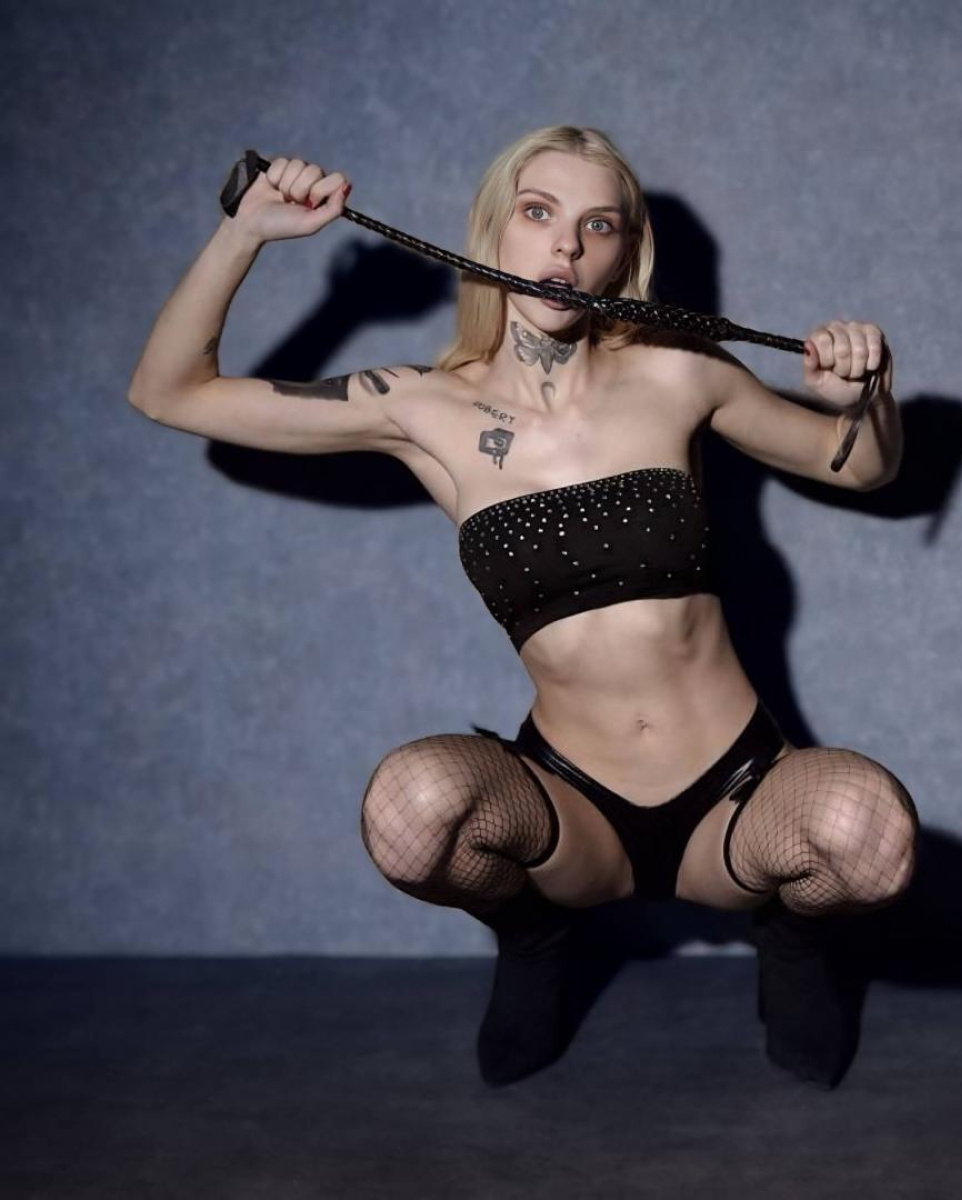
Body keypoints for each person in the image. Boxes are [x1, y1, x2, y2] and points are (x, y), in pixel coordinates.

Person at [127, 125, 919, 1091]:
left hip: (738, 794)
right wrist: (246, 232)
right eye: (539, 213)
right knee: (412, 811)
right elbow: (170, 393)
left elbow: (865, 467)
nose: (566, 246)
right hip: (568, 811)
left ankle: (793, 940)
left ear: (626, 253)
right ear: (495, 229)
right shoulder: (421, 407)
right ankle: (533, 934)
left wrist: (865, 395)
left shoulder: (680, 371)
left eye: (599, 225)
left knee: (870, 837)